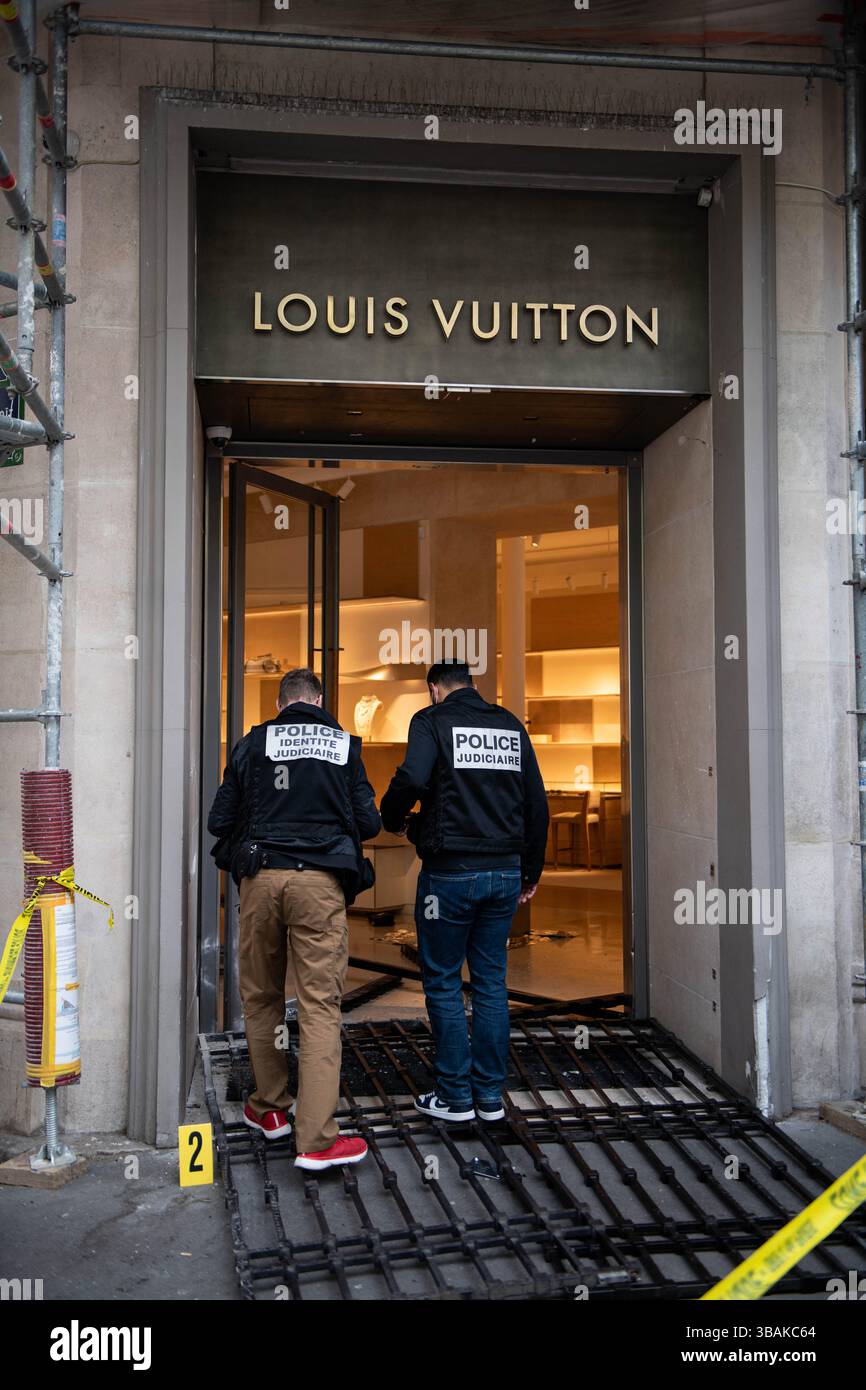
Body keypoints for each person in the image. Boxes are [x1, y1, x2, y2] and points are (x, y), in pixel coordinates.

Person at [207, 667, 380, 1171]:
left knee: (260, 998)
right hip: (319, 885)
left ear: (281, 703)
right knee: (319, 1006)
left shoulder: (251, 744)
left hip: (260, 880)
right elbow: (369, 821)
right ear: (319, 699)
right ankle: (317, 1141)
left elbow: (219, 821)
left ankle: (269, 1110)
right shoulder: (344, 745)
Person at [381, 660, 549, 1123]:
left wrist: (391, 819)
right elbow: (538, 802)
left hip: (450, 873)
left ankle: (455, 1096)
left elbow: (412, 779)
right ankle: (490, 1097)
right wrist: (530, 870)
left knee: (443, 981)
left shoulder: (432, 720)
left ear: (435, 689)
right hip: (504, 874)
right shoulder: (510, 725)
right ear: (473, 686)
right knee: (492, 983)